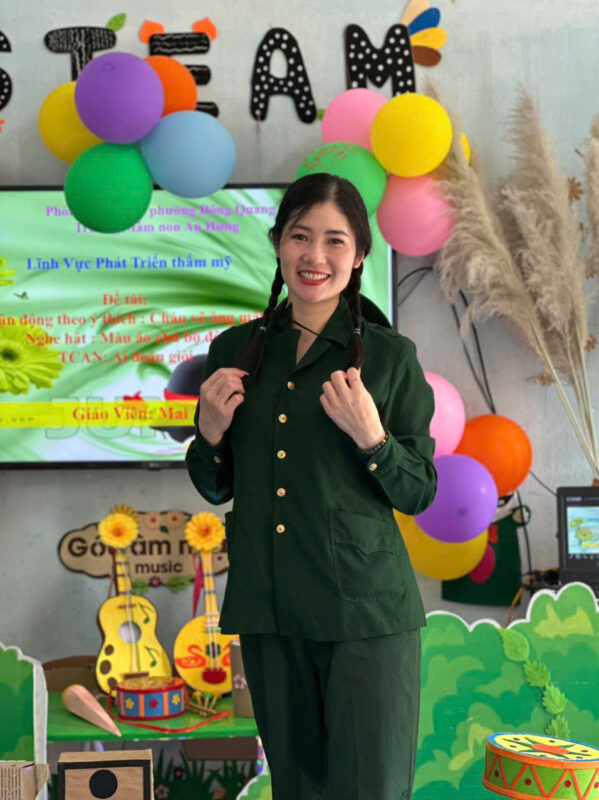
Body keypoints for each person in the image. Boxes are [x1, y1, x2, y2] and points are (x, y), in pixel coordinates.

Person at [186, 173, 437, 800]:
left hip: (365, 615)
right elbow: (216, 487)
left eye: (334, 240)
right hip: (271, 609)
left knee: (369, 790)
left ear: (359, 255)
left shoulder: (390, 358)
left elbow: (419, 492)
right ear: (277, 244)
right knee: (297, 791)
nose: (314, 256)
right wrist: (209, 433)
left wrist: (374, 440)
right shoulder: (235, 350)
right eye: (299, 236)